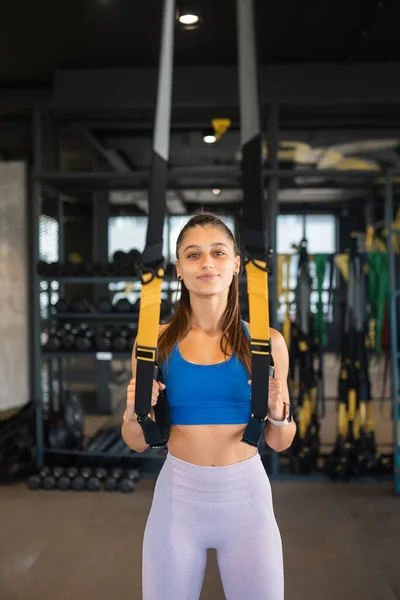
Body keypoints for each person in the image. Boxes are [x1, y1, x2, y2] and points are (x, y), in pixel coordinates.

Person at [122, 212, 297, 600]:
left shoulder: (267, 343)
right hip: (178, 501)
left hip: (248, 500)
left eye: (218, 252)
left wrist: (279, 412)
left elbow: (280, 442)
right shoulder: (154, 342)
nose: (207, 263)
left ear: (236, 264)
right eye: (193, 254)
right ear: (179, 269)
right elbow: (136, 440)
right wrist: (137, 410)